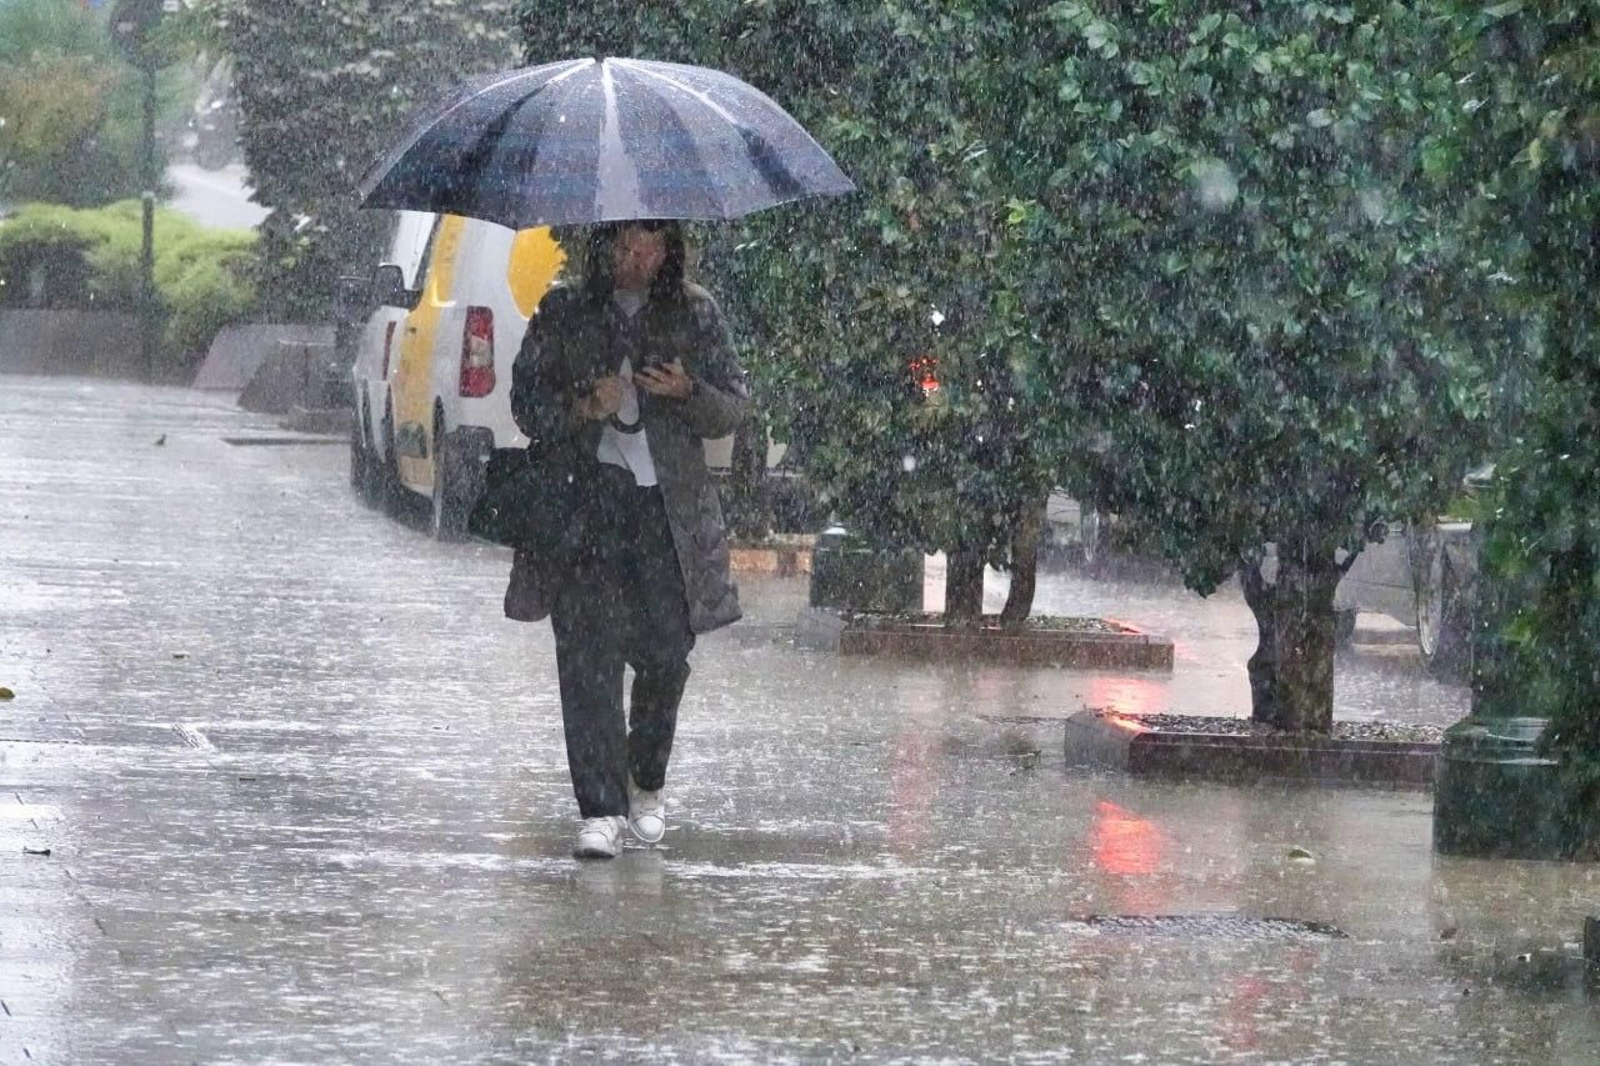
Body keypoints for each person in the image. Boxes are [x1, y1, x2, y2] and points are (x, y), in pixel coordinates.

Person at [507, 220, 750, 859]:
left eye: (649, 248)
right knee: (587, 657)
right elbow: (525, 403)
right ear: (603, 246)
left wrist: (688, 391)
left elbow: (732, 405)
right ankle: (601, 808)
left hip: (666, 514)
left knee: (666, 653)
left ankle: (646, 778)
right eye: (623, 247)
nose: (635, 260)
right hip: (584, 508)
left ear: (669, 249)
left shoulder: (695, 312)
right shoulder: (565, 310)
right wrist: (584, 404)